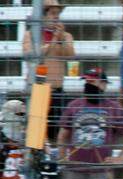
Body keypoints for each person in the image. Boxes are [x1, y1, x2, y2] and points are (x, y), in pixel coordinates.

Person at [21, 0, 74, 139]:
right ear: (43, 15)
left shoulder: (66, 36)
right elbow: (31, 56)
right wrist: (52, 41)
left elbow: (70, 55)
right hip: (38, 89)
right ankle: (35, 158)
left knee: (59, 134)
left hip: (57, 90)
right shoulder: (30, 34)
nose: (56, 17)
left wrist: (60, 38)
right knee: (36, 136)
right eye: (52, 13)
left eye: (58, 14)